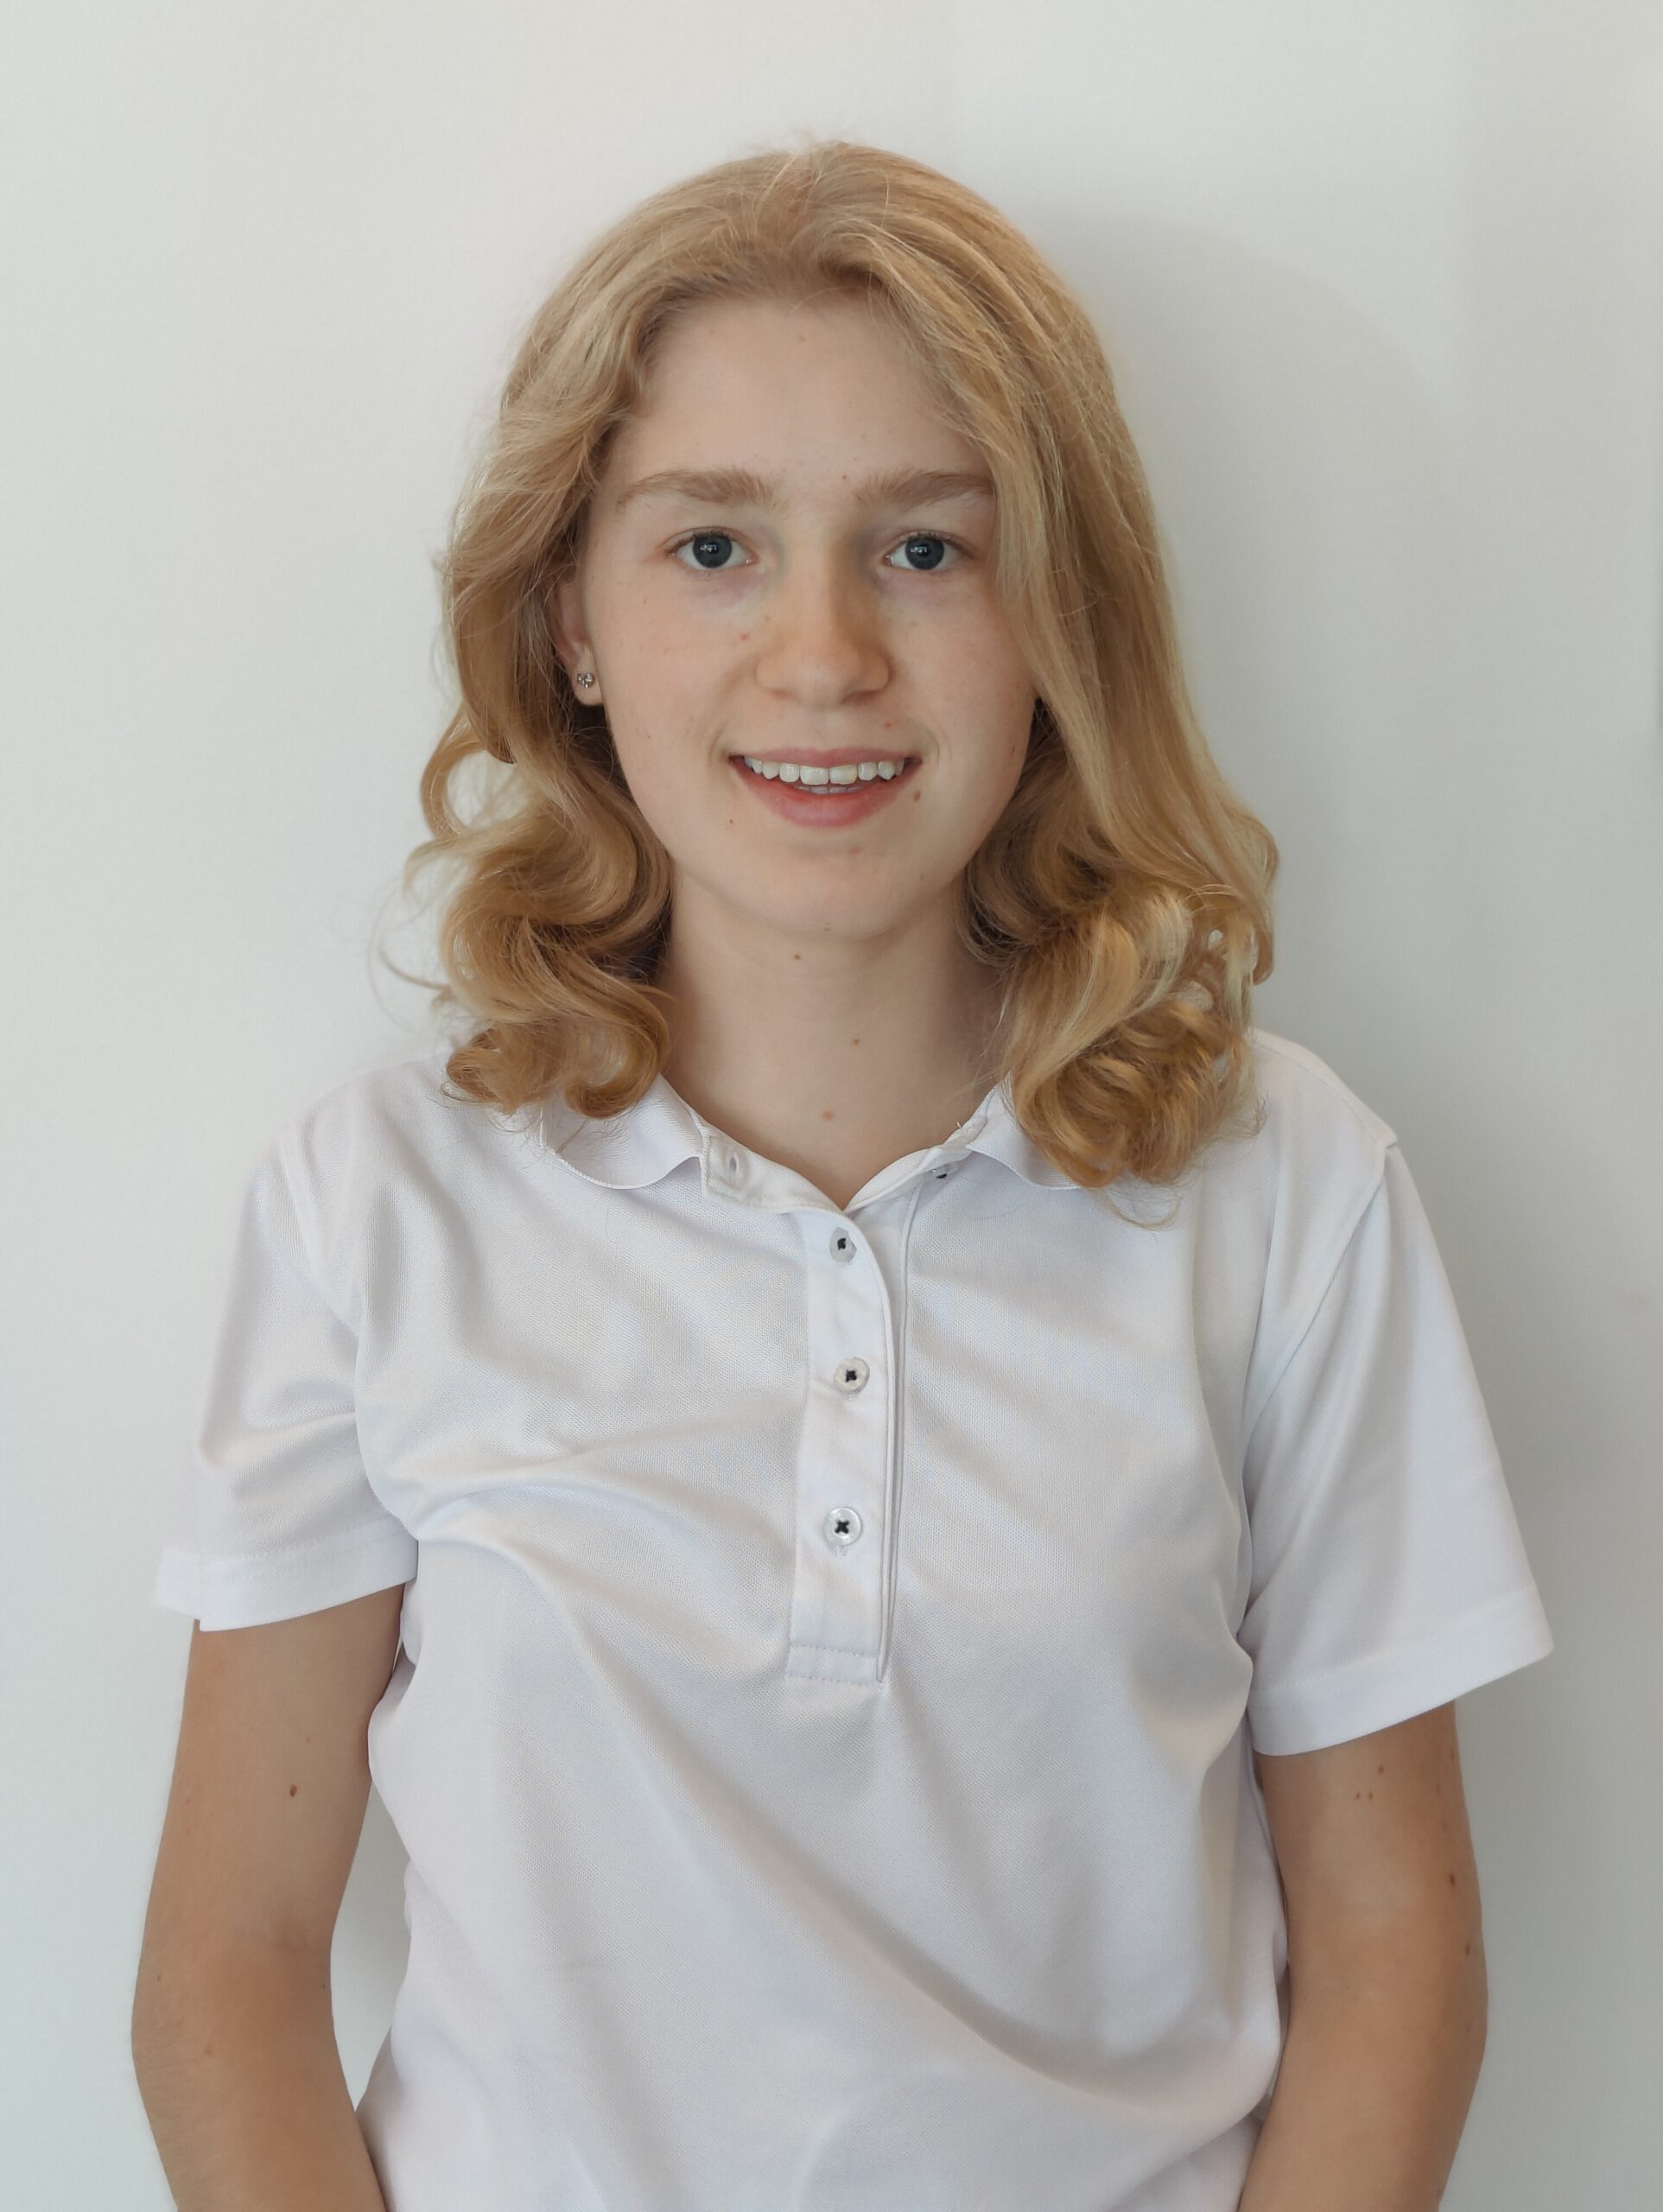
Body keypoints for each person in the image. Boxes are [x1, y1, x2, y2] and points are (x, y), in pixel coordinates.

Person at [134, 139, 1554, 2212]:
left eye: (927, 548)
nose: (822, 654)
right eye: (713, 545)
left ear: (1059, 614)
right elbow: (229, 1970)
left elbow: (1396, 1949)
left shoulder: (1287, 1189)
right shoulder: (375, 1203)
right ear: (572, 620)